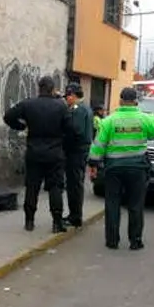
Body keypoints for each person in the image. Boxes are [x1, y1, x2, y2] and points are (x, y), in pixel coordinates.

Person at [88, 87, 154, 250]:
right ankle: (135, 241)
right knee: (136, 204)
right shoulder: (145, 119)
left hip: (114, 168)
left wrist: (93, 164)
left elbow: (98, 145)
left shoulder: (109, 121)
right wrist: (152, 119)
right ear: (136, 101)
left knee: (112, 204)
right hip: (137, 168)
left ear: (120, 101)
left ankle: (112, 240)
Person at [3, 76, 76, 233]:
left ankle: (29, 222)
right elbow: (70, 129)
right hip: (55, 153)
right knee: (55, 187)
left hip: (34, 152)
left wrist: (21, 126)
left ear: (39, 88)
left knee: (32, 187)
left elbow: (8, 116)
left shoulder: (28, 104)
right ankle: (57, 222)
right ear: (53, 89)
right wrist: (63, 142)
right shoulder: (61, 106)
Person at [62, 83, 93, 228]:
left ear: (73, 95)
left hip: (75, 151)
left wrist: (64, 140)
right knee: (76, 184)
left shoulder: (77, 109)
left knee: (74, 185)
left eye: (67, 96)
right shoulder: (86, 108)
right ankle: (75, 215)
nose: (66, 100)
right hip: (82, 151)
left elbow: (76, 130)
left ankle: (75, 217)